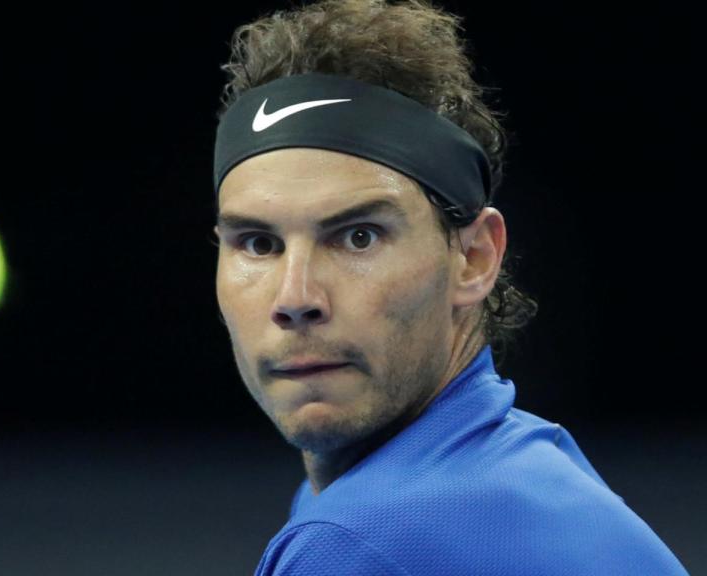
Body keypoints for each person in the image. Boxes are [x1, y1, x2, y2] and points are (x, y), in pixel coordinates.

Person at [209, 1, 690, 574]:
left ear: (474, 257)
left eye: (358, 237)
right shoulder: (532, 473)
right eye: (259, 244)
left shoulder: (353, 543)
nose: (294, 299)